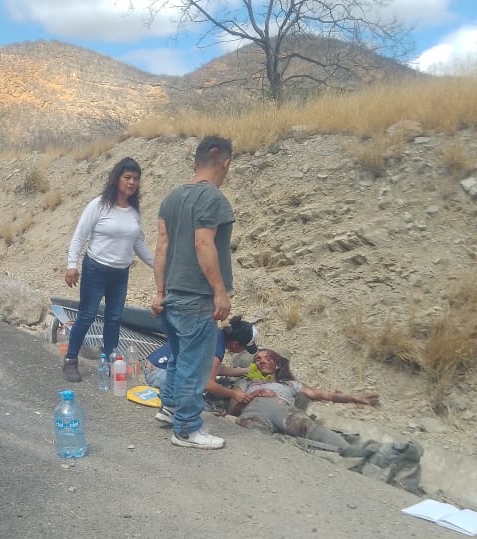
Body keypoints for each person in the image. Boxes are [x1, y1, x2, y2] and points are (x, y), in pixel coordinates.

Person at [151, 135, 236, 450]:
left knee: (179, 358)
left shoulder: (171, 198)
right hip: (197, 297)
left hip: (172, 294)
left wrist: (160, 292)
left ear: (194, 163)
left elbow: (161, 248)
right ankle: (186, 429)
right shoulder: (212, 198)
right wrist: (220, 292)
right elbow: (203, 243)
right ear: (225, 163)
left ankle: (170, 408)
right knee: (194, 366)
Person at [61, 157, 153, 382]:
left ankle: (110, 361)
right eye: (127, 177)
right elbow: (79, 236)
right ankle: (70, 360)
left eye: (136, 179)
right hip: (95, 269)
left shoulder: (133, 211)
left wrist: (158, 265)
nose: (131, 182)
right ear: (116, 179)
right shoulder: (99, 205)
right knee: (87, 316)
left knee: (114, 318)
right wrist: (72, 265)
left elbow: (138, 243)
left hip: (120, 273)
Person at [230, 349, 379, 450]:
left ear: (277, 365)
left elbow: (323, 395)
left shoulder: (290, 384)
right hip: (255, 413)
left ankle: (351, 451)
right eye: (258, 359)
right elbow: (233, 409)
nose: (262, 361)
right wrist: (256, 393)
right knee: (255, 439)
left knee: (308, 427)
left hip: (285, 411)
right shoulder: (246, 383)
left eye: (267, 358)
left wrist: (354, 398)